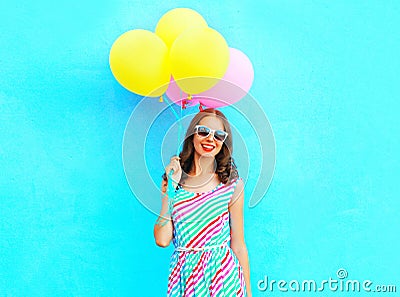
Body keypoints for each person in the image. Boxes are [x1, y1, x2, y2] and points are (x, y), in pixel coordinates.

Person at [154, 108, 252, 297]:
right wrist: (170, 191)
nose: (210, 139)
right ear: (192, 134)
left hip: (224, 280)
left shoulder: (231, 185)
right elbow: (162, 240)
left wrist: (248, 294)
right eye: (203, 131)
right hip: (185, 280)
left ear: (224, 142)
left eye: (219, 135)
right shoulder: (173, 181)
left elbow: (239, 244)